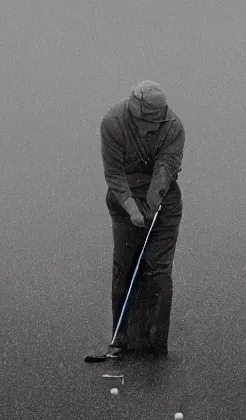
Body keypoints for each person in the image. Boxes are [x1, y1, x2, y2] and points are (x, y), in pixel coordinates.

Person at [91, 81, 186, 360]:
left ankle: (155, 344)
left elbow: (166, 167)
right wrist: (133, 209)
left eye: (157, 123)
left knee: (157, 269)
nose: (152, 129)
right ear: (134, 115)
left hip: (163, 201)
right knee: (125, 265)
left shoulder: (173, 126)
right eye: (147, 123)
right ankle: (121, 339)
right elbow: (114, 174)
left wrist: (152, 204)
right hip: (124, 200)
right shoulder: (112, 122)